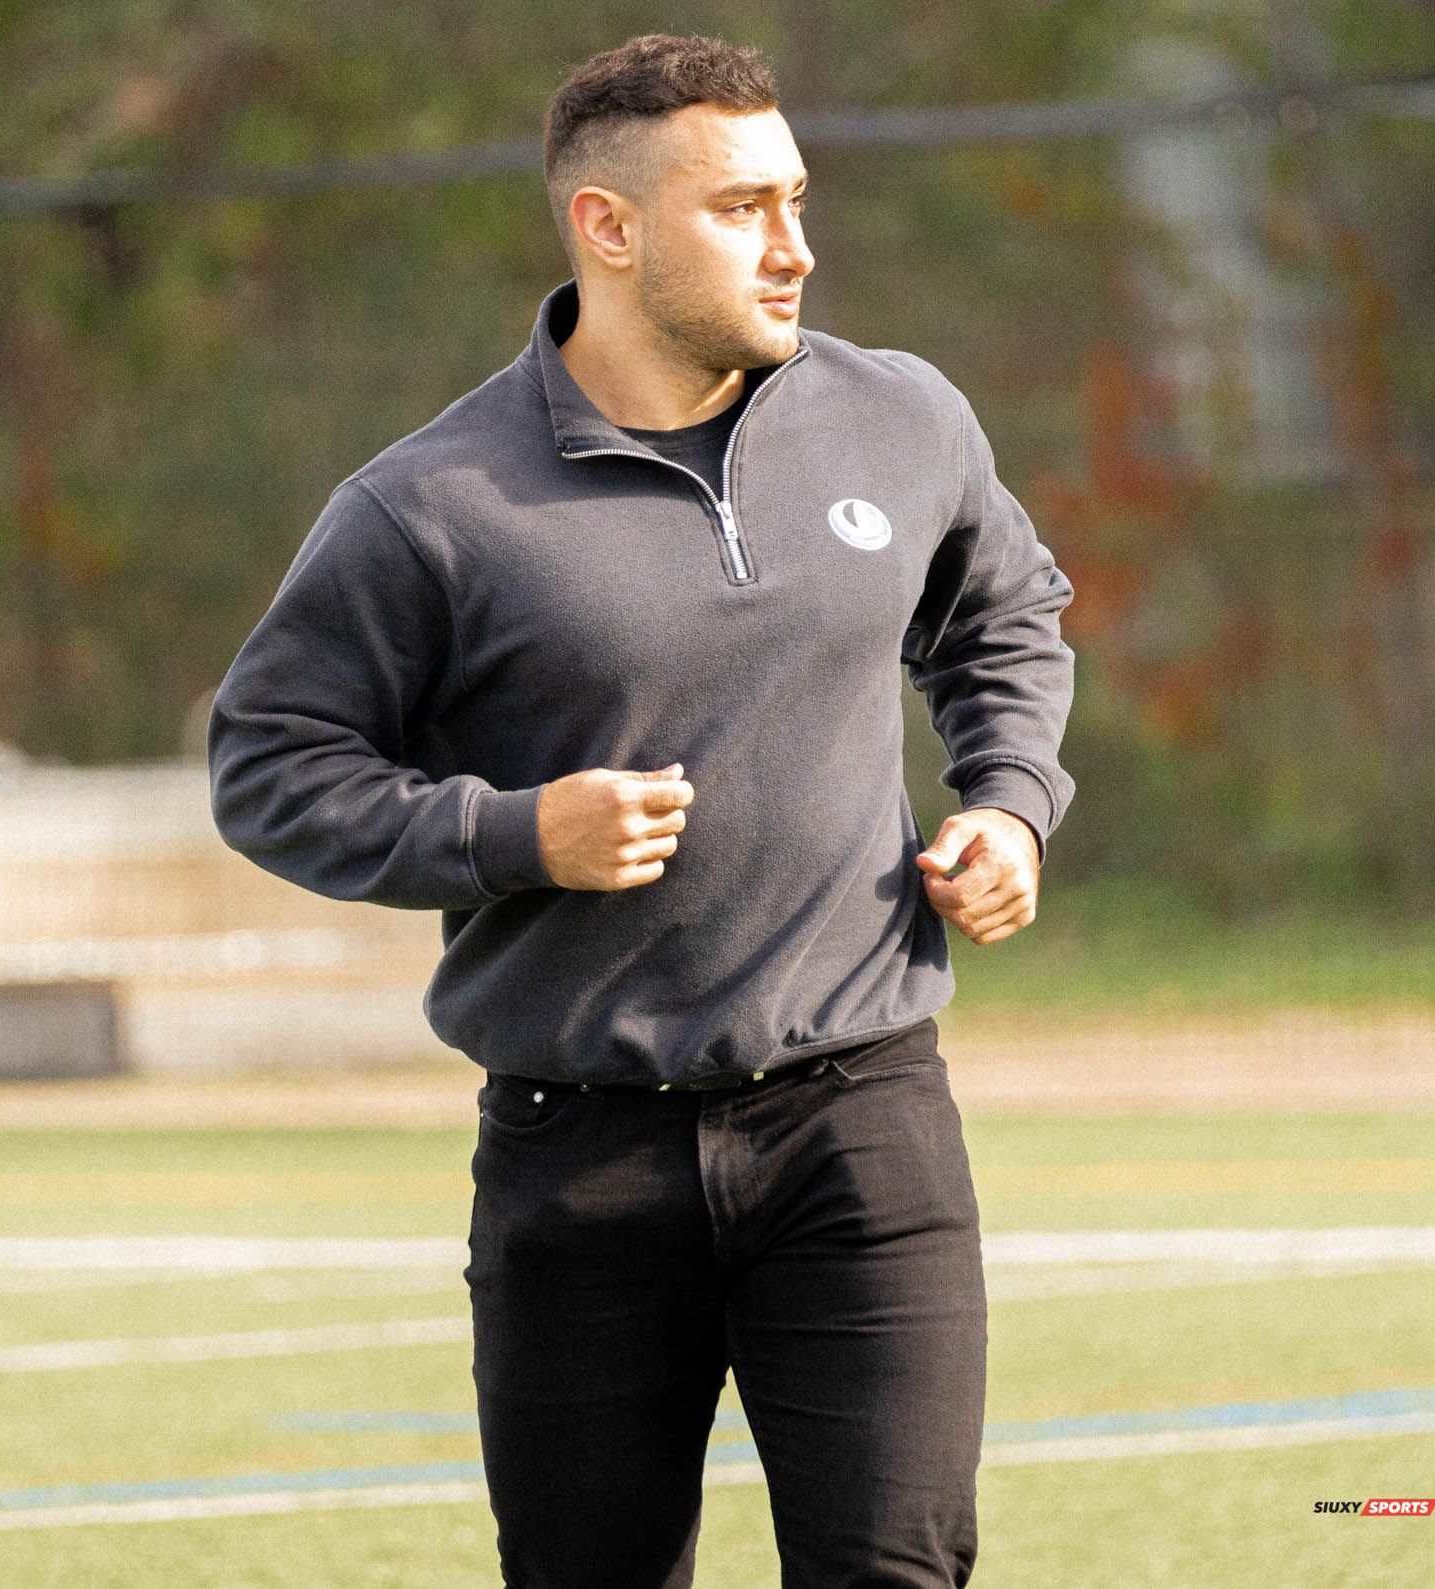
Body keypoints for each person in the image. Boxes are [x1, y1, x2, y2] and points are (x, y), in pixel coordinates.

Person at [209, 32, 1073, 1589]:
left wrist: (1008, 803)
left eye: (798, 198)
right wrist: (510, 833)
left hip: (860, 1126)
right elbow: (269, 765)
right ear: (607, 227)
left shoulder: (903, 418)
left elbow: (1008, 617)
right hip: (575, 1157)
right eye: (743, 207)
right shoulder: (429, 506)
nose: (797, 245)